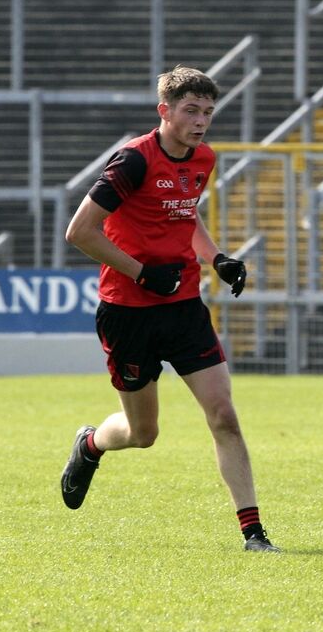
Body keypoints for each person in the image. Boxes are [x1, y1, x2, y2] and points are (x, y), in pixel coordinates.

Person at [61, 65, 279, 553]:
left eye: (207, 112)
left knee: (223, 415)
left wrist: (215, 257)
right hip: (128, 311)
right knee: (143, 433)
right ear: (165, 111)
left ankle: (253, 533)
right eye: (190, 111)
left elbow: (187, 208)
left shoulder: (203, 157)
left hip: (183, 308)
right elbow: (79, 232)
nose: (201, 121)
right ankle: (91, 443)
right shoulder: (131, 162)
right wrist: (140, 272)